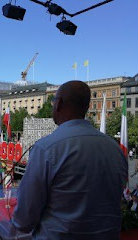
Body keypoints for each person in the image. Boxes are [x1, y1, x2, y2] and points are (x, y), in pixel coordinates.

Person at [12, 81, 128, 240]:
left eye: (53, 102)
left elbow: (25, 217)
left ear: (58, 104)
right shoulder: (115, 149)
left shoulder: (46, 148)